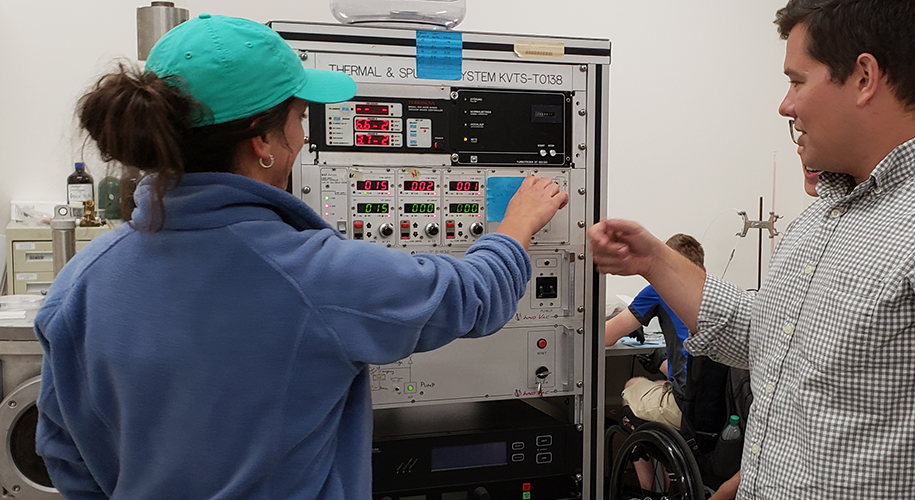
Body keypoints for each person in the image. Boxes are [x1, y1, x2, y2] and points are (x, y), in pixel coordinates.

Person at [34, 14, 567, 500]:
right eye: (299, 116)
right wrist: (515, 227)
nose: (304, 134)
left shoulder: (80, 282)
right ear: (264, 141)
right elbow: (471, 295)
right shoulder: (311, 274)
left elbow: (64, 454)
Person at [590, 0, 915, 498]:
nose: (785, 104)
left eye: (797, 80)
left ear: (864, 77)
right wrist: (653, 260)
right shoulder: (829, 212)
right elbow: (767, 336)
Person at [603, 233, 707, 429]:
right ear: (702, 269)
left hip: (685, 407)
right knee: (660, 384)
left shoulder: (657, 290)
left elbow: (606, 337)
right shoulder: (714, 289)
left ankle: (643, 459)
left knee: (632, 386)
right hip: (716, 407)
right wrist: (661, 360)